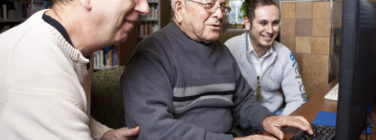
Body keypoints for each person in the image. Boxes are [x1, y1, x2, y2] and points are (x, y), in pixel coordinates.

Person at [121, 0, 313, 139]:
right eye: (209, 4)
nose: (220, 14)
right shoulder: (152, 54)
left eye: (222, 6)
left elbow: (243, 102)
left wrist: (267, 119)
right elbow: (153, 129)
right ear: (179, 9)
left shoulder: (222, 52)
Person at [0, 0, 149, 139]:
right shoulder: (39, 71)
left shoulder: (70, 43)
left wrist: (104, 134)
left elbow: (63, 108)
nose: (145, 8)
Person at [225, 0, 307, 115]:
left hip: (274, 114)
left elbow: (297, 100)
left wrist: (281, 122)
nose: (270, 30)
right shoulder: (229, 49)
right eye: (263, 23)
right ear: (247, 23)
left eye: (275, 23)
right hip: (239, 118)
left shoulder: (286, 55)